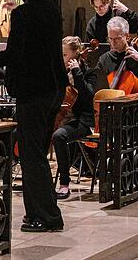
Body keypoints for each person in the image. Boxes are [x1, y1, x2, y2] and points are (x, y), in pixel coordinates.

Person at [0, 0, 67, 232]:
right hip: (54, 88)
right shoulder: (52, 9)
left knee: (32, 156)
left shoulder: (23, 14)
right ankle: (34, 213)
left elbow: (17, 54)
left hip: (34, 92)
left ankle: (49, 216)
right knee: (38, 153)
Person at [52, 36, 96, 200]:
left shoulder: (89, 73)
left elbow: (88, 96)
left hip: (83, 120)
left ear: (76, 55)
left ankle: (64, 184)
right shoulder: (58, 72)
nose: (61, 58)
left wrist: (77, 74)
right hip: (61, 116)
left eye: (64, 55)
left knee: (59, 136)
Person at [96, 16, 138, 93]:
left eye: (117, 38)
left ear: (127, 36)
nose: (113, 43)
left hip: (137, 103)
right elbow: (96, 86)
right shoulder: (104, 59)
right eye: (110, 38)